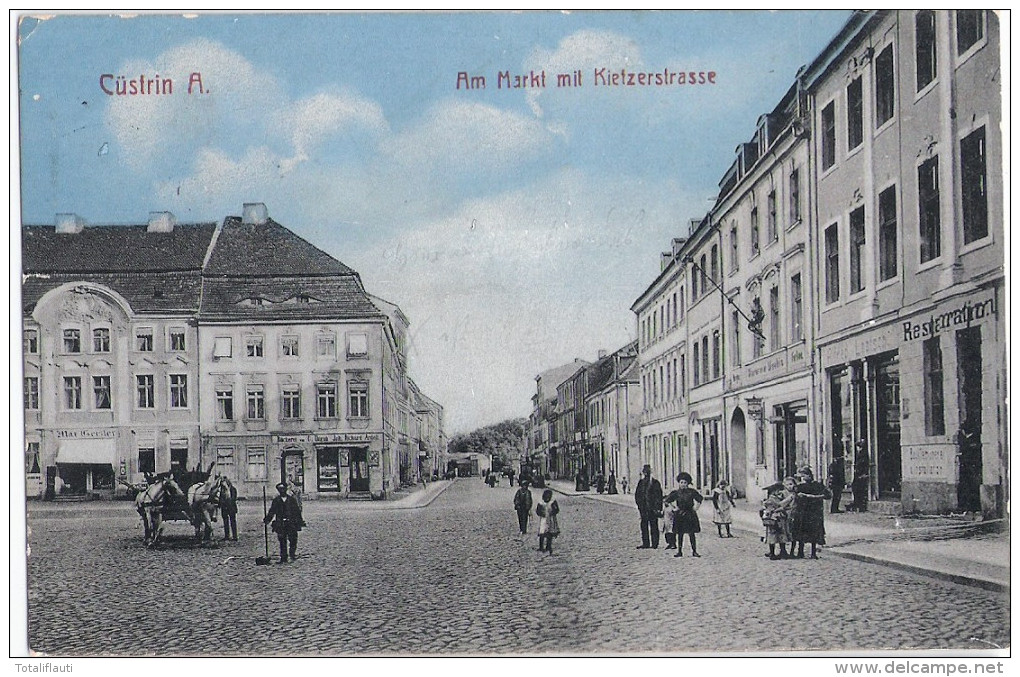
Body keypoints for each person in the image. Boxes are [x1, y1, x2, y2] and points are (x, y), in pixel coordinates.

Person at [792, 466, 831, 559]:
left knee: (814, 532)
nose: (803, 478)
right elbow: (794, 496)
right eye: (801, 476)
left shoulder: (817, 485)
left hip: (814, 512)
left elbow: (828, 495)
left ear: (809, 475)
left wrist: (811, 496)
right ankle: (800, 552)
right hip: (802, 512)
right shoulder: (799, 486)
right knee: (801, 531)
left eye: (804, 475)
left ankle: (813, 553)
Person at [264, 482, 305, 564]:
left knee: (293, 539)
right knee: (282, 540)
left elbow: (297, 511)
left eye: (283, 489)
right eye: (280, 489)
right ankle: (284, 557)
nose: (282, 491)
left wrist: (300, 522)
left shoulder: (292, 500)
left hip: (291, 523)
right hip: (280, 523)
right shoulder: (276, 500)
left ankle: (292, 554)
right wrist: (267, 519)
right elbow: (272, 511)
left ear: (286, 489)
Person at [670, 472, 704, 557]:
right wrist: (674, 508)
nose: (683, 484)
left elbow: (699, 499)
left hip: (689, 514)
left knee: (691, 533)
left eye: (685, 483)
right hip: (680, 514)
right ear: (679, 483)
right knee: (680, 533)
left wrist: (696, 508)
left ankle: (694, 551)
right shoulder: (676, 493)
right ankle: (679, 551)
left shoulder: (692, 492)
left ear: (688, 483)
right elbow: (667, 500)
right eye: (681, 482)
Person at [762, 478, 796, 560]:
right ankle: (772, 553)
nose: (778, 493)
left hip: (781, 519)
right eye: (776, 491)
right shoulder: (771, 499)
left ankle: (783, 551)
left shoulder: (778, 497)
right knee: (773, 536)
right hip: (773, 520)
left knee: (781, 535)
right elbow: (778, 505)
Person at [634, 464, 663, 549]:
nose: (646, 474)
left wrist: (658, 508)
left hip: (652, 508)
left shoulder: (655, 483)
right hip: (643, 508)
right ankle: (645, 543)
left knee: (654, 525)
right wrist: (639, 506)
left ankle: (655, 543)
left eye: (648, 472)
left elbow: (659, 496)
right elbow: (637, 495)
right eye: (645, 472)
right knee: (644, 526)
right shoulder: (641, 483)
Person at [536, 489, 560, 554]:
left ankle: (548, 546)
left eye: (549, 496)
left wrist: (553, 512)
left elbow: (557, 509)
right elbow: (537, 511)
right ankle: (541, 547)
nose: (548, 497)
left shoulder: (553, 502)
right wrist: (541, 513)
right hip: (543, 520)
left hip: (551, 519)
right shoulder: (541, 503)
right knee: (542, 533)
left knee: (550, 533)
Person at [219, 477, 238, 541]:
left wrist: (227, 503)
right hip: (224, 508)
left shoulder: (233, 489)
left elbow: (233, 499)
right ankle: (227, 536)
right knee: (225, 522)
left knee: (233, 522)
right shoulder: (222, 491)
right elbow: (220, 499)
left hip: (231, 508)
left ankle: (235, 536)